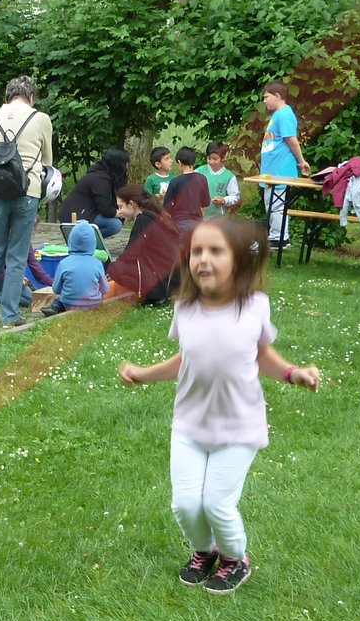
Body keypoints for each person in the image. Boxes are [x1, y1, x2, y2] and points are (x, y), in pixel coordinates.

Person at [118, 218, 320, 594]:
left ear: (238, 261)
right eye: (196, 251)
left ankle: (234, 558)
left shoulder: (254, 306)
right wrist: (144, 374)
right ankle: (204, 551)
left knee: (216, 503)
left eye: (215, 251)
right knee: (185, 504)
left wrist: (293, 373)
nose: (203, 259)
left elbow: (261, 354)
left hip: (239, 427)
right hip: (190, 425)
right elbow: (186, 359)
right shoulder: (185, 308)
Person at [0, 76, 56, 327]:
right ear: (31, 97)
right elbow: (47, 160)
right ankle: (10, 316)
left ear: (7, 96)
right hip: (26, 191)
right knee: (17, 256)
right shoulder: (40, 118)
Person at [259, 80, 312, 248]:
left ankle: (278, 237)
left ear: (277, 96)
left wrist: (301, 161)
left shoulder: (284, 114)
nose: (264, 101)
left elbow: (292, 141)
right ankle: (280, 235)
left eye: (266, 97)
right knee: (271, 203)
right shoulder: (277, 115)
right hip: (271, 169)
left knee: (276, 204)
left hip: (280, 168)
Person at [109, 185, 180, 305]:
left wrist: (109, 270)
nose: (120, 212)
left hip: (163, 283)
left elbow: (130, 255)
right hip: (174, 279)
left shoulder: (142, 220)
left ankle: (156, 295)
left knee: (114, 269)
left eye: (121, 207)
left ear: (131, 204)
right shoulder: (154, 216)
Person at [57, 147, 129, 239]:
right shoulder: (100, 179)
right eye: (126, 162)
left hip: (89, 211)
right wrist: (123, 214)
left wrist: (122, 212)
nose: (127, 166)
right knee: (115, 224)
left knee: (116, 221)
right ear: (118, 164)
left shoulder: (108, 176)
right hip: (76, 214)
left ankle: (87, 239)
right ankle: (82, 240)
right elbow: (106, 209)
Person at [46, 222, 109, 315]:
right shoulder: (97, 263)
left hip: (69, 304)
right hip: (93, 303)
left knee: (58, 300)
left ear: (71, 241)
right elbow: (105, 289)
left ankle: (55, 307)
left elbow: (56, 289)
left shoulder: (64, 263)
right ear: (93, 243)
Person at [199, 141, 241, 218]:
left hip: (218, 217)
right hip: (200, 217)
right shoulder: (200, 171)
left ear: (223, 158)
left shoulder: (229, 176)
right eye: (209, 158)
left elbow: (235, 196)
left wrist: (224, 200)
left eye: (215, 159)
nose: (211, 162)